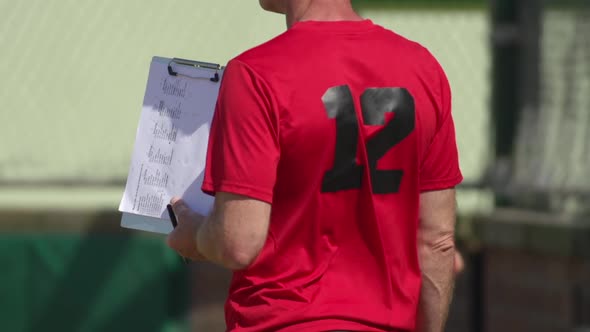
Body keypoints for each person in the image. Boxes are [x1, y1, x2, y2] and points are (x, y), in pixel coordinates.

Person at [166, 0, 463, 331]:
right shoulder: (422, 68)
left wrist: (194, 234)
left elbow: (238, 242)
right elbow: (437, 240)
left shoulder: (256, 73)